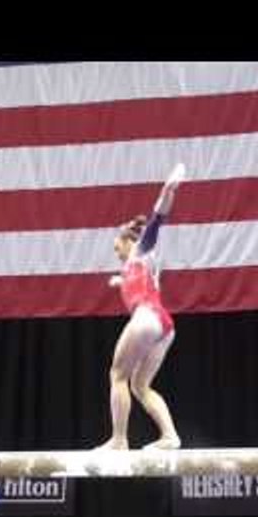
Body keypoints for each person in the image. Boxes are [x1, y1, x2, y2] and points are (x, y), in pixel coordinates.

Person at [94, 164, 185, 452]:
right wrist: (118, 280)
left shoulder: (139, 250)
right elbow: (136, 280)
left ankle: (119, 440)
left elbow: (157, 222)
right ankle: (170, 436)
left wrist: (168, 191)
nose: (116, 252)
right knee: (139, 386)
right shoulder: (138, 266)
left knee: (117, 375)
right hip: (164, 325)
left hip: (147, 318)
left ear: (127, 241)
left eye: (116, 246)